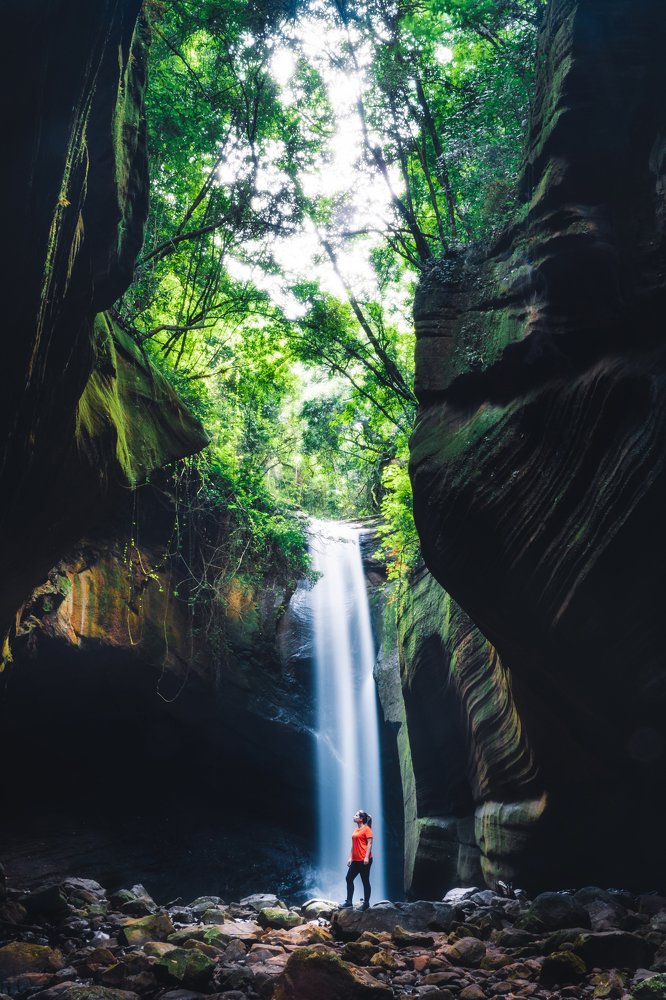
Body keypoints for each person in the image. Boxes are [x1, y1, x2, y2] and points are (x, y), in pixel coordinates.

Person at [340, 809, 373, 910]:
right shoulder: (355, 830)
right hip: (355, 860)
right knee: (349, 878)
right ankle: (349, 902)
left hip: (364, 860)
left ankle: (366, 904)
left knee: (365, 881)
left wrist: (366, 857)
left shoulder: (367, 829)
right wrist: (350, 857)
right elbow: (353, 845)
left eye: (356, 815)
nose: (354, 816)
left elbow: (370, 844)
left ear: (361, 819)